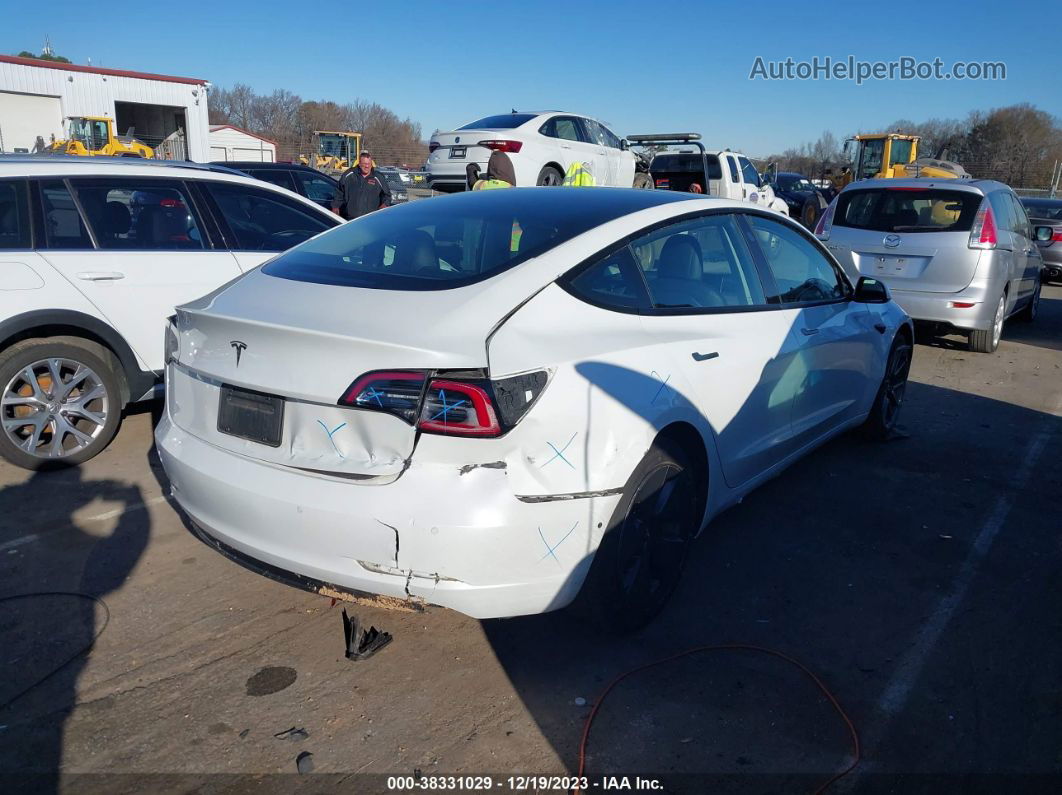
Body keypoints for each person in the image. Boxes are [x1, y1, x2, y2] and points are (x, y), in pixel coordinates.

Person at [332, 152, 392, 220]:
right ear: (359, 164)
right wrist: (335, 207)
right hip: (350, 219)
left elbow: (387, 196)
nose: (367, 166)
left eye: (369, 164)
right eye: (365, 164)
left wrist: (384, 206)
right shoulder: (349, 175)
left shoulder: (378, 177)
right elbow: (339, 192)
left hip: (371, 219)